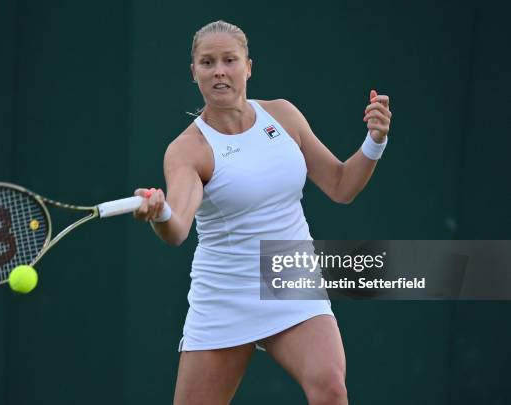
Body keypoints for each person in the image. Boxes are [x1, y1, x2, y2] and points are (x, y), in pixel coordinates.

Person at [133, 20, 391, 405]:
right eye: (207, 62)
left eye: (229, 60)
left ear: (248, 66)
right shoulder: (188, 149)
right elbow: (178, 228)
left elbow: (341, 186)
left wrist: (375, 142)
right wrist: (160, 214)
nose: (219, 70)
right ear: (194, 73)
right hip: (225, 295)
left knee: (331, 388)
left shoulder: (283, 117)